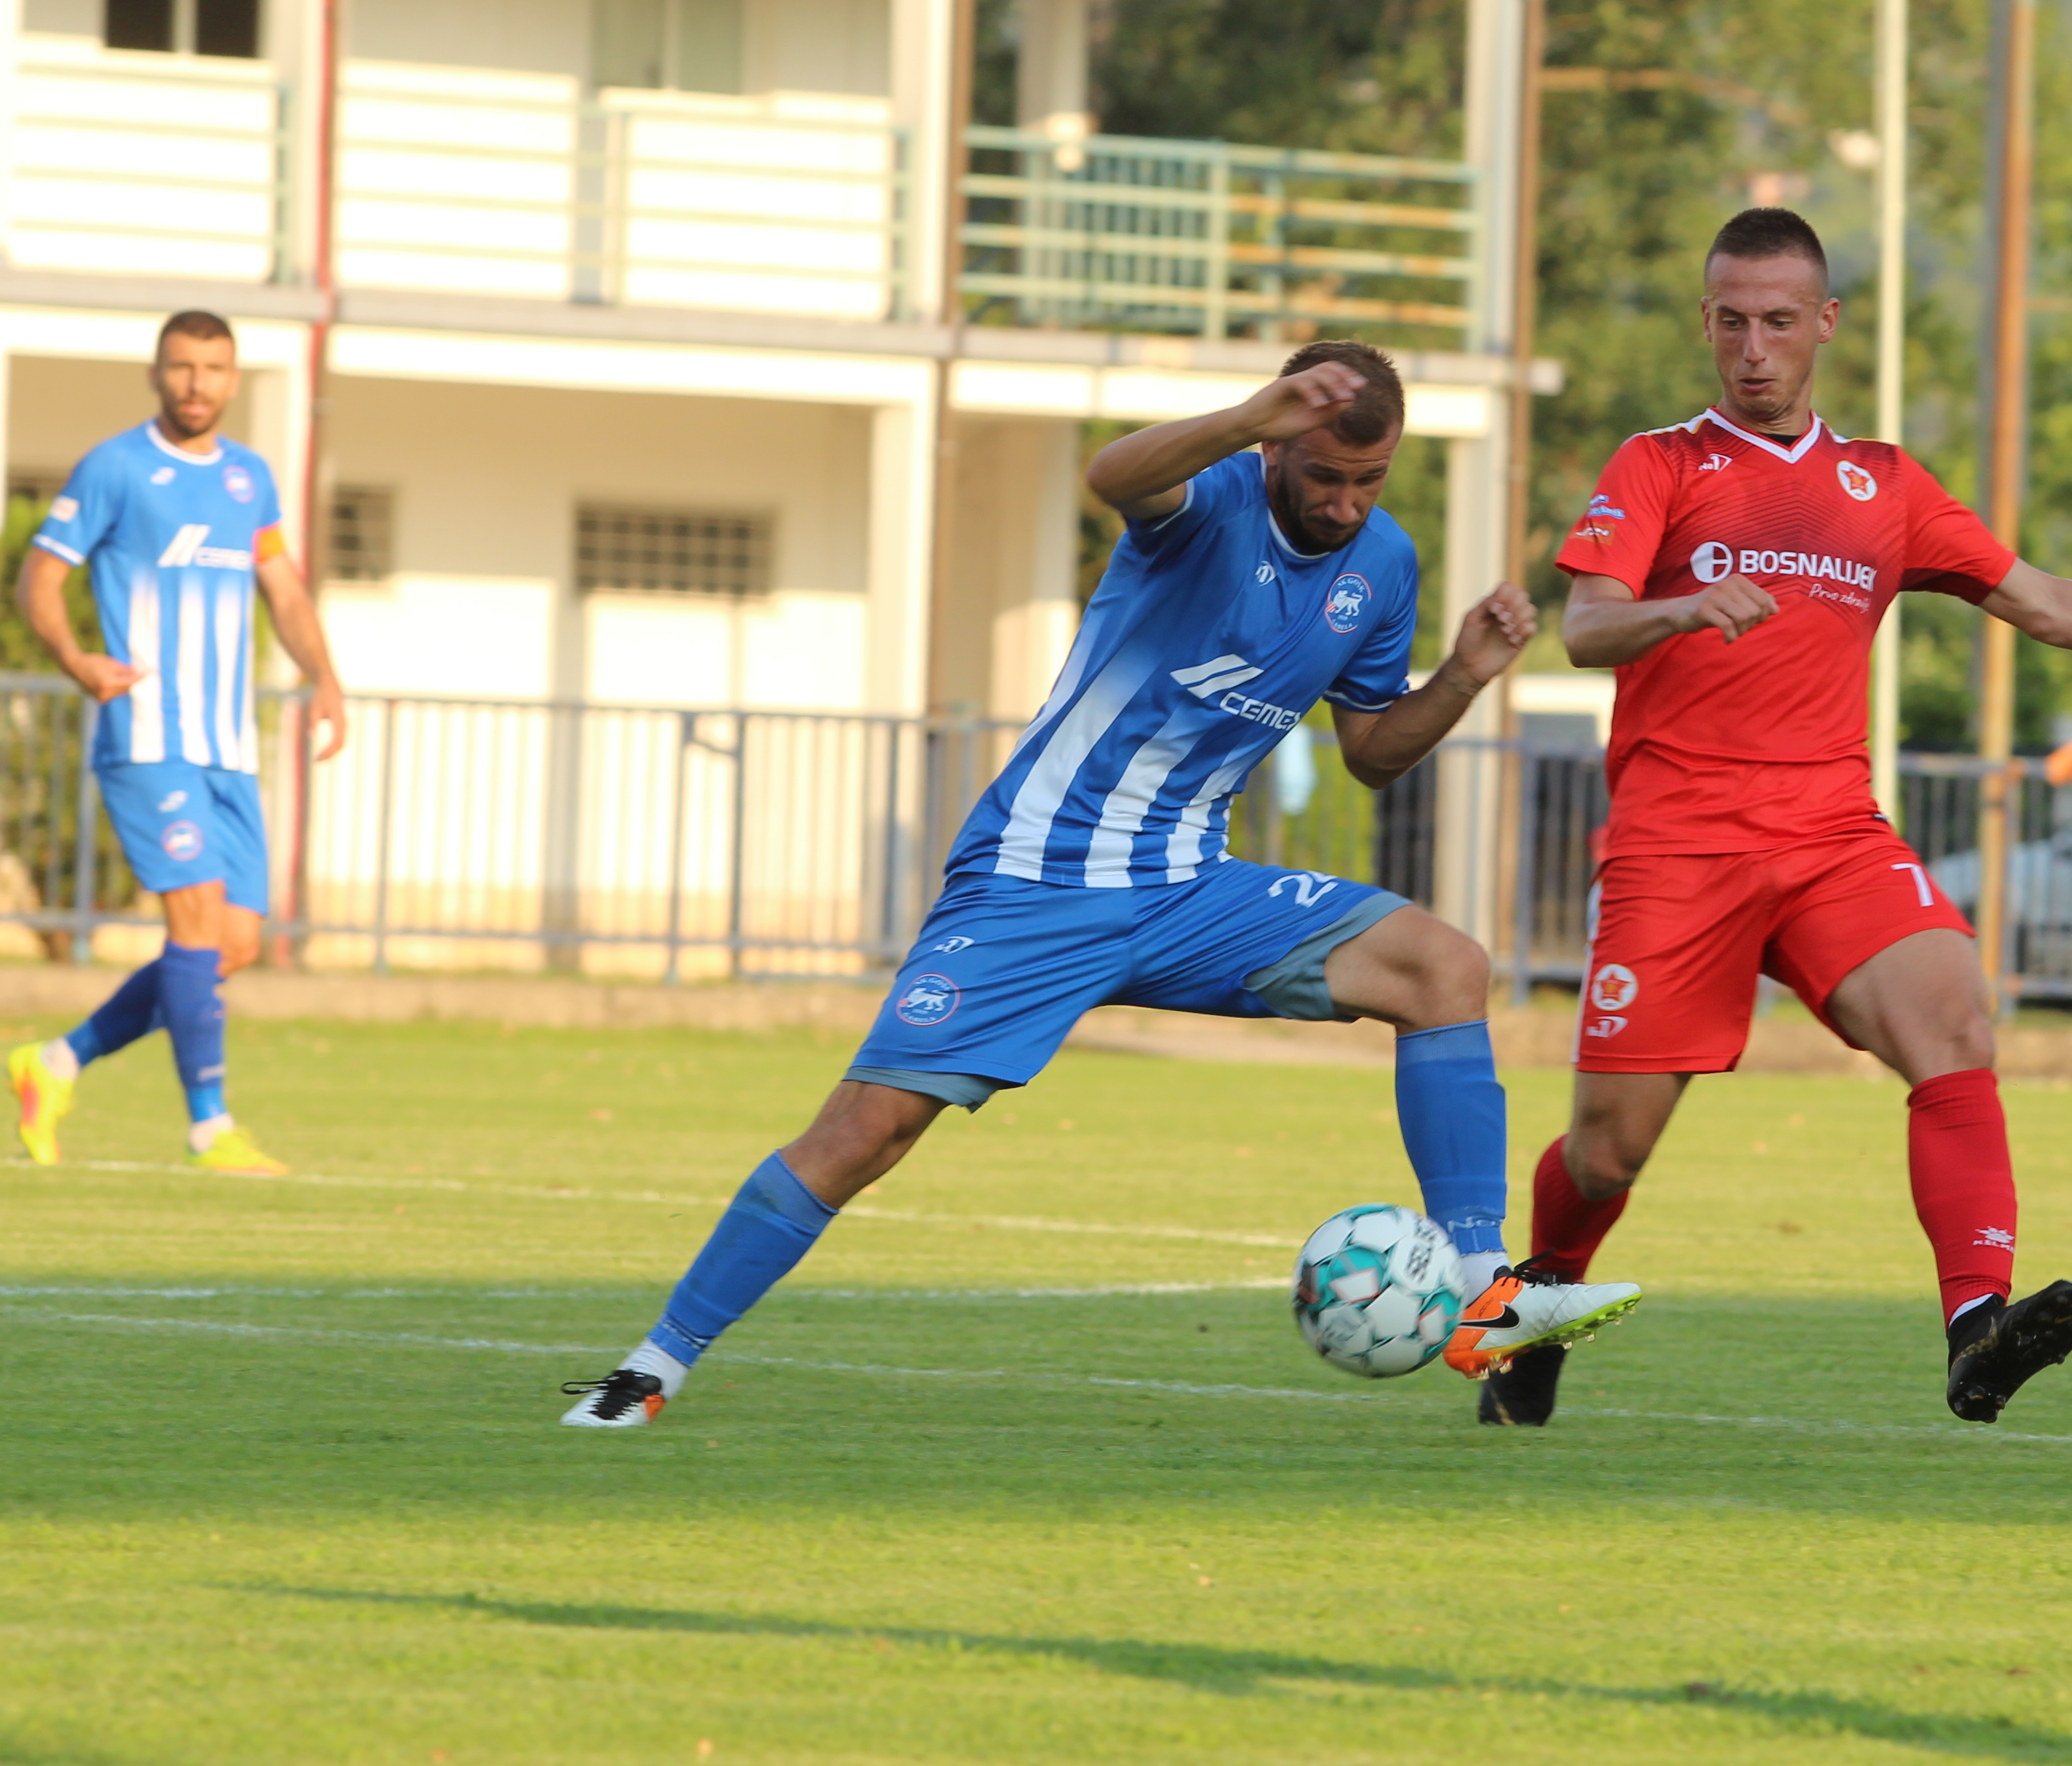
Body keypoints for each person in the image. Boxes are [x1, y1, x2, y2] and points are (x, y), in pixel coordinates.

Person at [558, 342, 1639, 1428]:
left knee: (1442, 966)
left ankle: (1487, 1287)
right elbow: (1115, 477)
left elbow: (1372, 751)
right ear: (1276, 449)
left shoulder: (1384, 564)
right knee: (864, 1133)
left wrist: (1462, 676)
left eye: (1370, 481)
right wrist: (1251, 414)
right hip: (1039, 879)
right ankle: (649, 1372)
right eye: (1324, 477)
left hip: (1186, 888)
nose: (1348, 505)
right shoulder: (1211, 495)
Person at [1493, 208, 2072, 1431]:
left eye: (1779, 322)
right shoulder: (1660, 463)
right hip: (1680, 849)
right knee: (1609, 1152)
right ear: (1708, 323)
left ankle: (1976, 1326)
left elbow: (2046, 601)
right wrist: (1682, 608)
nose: (1753, 348)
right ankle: (1539, 1302)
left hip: (1833, 835)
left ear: (1825, 325)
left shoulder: (1877, 484)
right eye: (1730, 321)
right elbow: (1585, 625)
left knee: (1955, 1019)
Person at [6, 312, 346, 1176]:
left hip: (226, 744)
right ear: (157, 375)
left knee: (229, 945)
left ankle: (51, 1064)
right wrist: (78, 658)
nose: (198, 383)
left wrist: (327, 679)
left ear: (234, 380)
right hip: (147, 734)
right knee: (194, 923)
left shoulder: (248, 479)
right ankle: (211, 1128)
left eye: (214, 368)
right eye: (182, 367)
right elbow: (38, 576)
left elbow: (287, 591)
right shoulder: (117, 467)